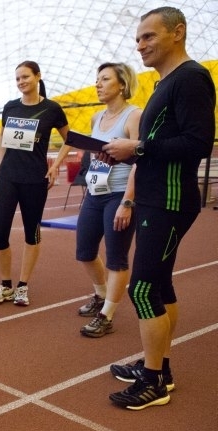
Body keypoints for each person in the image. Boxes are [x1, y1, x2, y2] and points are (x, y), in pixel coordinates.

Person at [102, 7, 215, 409]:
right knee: (160, 285)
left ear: (177, 33)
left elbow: (199, 143)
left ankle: (154, 382)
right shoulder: (165, 82)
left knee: (143, 288)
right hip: (154, 196)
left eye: (149, 36)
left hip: (170, 199)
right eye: (138, 39)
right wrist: (127, 153)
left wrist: (137, 147)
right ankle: (159, 368)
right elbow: (156, 145)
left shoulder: (191, 78)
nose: (140, 45)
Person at [53, 63, 141, 338]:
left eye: (105, 79)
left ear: (122, 85)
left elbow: (141, 161)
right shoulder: (96, 117)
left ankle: (107, 315)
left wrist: (128, 201)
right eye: (97, 80)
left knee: (116, 258)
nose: (98, 84)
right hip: (95, 192)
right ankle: (101, 295)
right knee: (85, 251)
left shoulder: (134, 116)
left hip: (119, 194)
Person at [0, 61, 70, 307]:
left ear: (37, 76)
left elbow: (70, 139)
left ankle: (22, 285)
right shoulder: (10, 107)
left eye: (25, 77)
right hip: (8, 178)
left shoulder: (52, 109)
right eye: (17, 79)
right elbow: (2, 136)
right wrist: (2, 164)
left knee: (31, 233)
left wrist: (55, 166)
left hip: (35, 179)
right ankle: (5, 285)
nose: (21, 82)